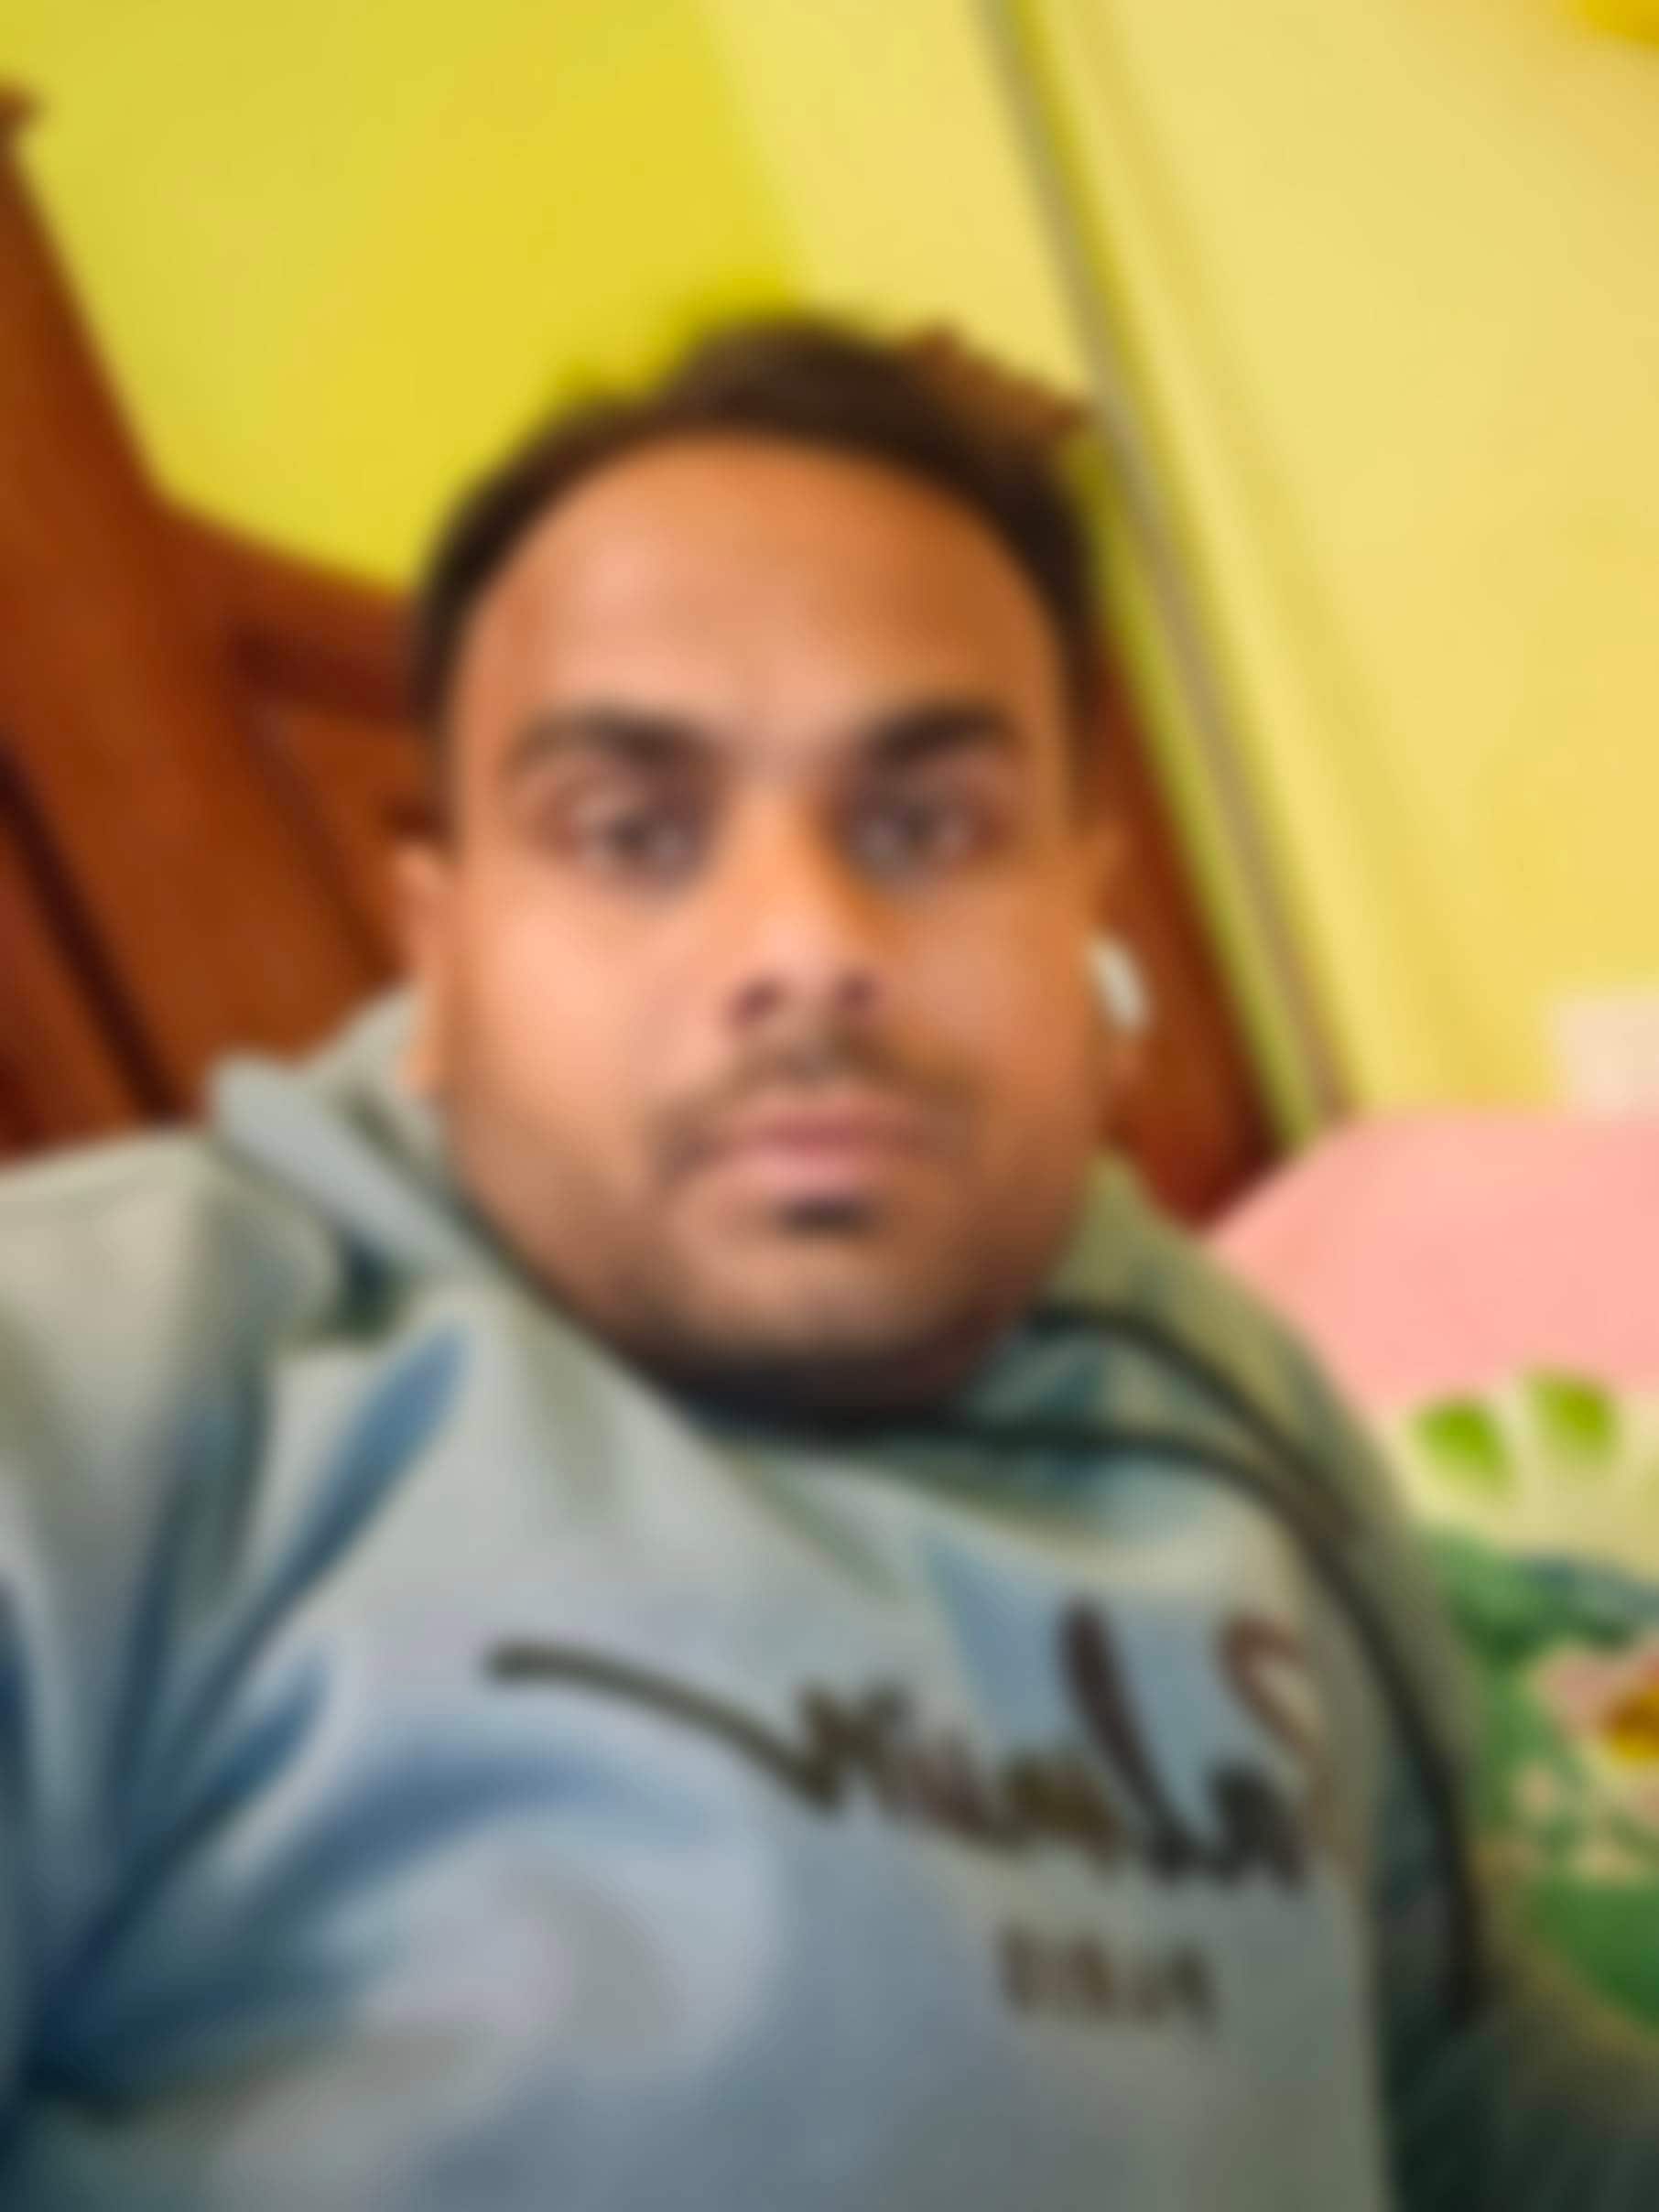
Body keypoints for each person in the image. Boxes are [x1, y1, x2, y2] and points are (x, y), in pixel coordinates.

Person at [0, 320, 1653, 2211]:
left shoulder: (1232, 1402)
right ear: (441, 956)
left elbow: (1451, 2082)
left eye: (928, 826)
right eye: (634, 833)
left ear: (1081, 919)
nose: (804, 942)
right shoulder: (109, 1373)